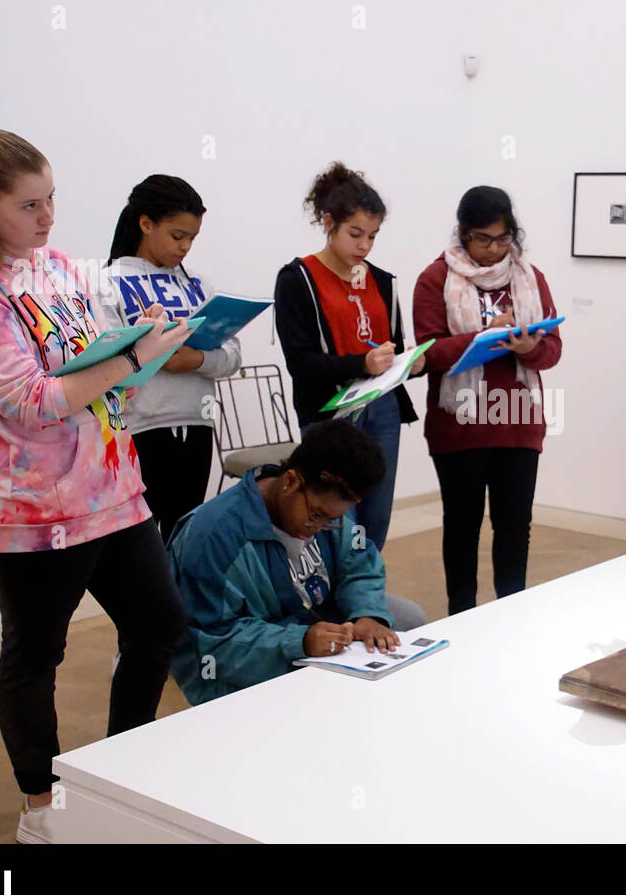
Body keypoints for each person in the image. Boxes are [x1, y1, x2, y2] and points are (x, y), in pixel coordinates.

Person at [0, 121, 192, 843]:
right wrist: (131, 364)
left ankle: (122, 767)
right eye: (30, 206)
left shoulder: (60, 266)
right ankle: (41, 806)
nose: (48, 218)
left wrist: (141, 337)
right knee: (36, 655)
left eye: (52, 200)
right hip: (33, 511)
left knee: (158, 625)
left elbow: (89, 359)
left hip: (113, 489)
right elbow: (34, 400)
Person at [167, 419, 427, 704]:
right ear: (291, 481)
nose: (319, 527)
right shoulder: (212, 534)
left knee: (406, 617)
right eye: (316, 515)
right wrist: (299, 643)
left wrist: (367, 614)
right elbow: (210, 643)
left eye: (332, 520)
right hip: (241, 665)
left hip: (311, 628)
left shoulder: (329, 506)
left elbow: (360, 566)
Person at [412, 186, 562, 615]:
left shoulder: (531, 278)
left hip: (518, 422)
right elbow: (427, 354)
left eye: (502, 239)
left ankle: (509, 615)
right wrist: (485, 337)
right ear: (463, 235)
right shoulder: (435, 279)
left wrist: (527, 347)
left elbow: (552, 352)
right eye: (483, 239)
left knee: (515, 527)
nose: (494, 249)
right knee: (462, 526)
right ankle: (462, 617)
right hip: (459, 426)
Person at [273, 162, 423, 551]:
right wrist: (361, 364)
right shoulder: (298, 279)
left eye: (373, 236)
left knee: (375, 515)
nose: (365, 246)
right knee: (329, 518)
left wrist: (410, 362)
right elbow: (300, 362)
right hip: (331, 414)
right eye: (355, 234)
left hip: (383, 406)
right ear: (328, 223)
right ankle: (328, 602)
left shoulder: (382, 281)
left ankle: (366, 598)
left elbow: (393, 346)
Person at [102, 175, 242, 543]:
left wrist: (195, 360)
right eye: (177, 236)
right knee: (143, 545)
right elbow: (103, 366)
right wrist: (152, 351)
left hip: (196, 422)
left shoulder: (199, 284)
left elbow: (233, 355)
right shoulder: (108, 282)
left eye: (192, 238)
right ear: (146, 224)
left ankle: (183, 603)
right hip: (139, 429)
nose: (186, 247)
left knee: (185, 538)